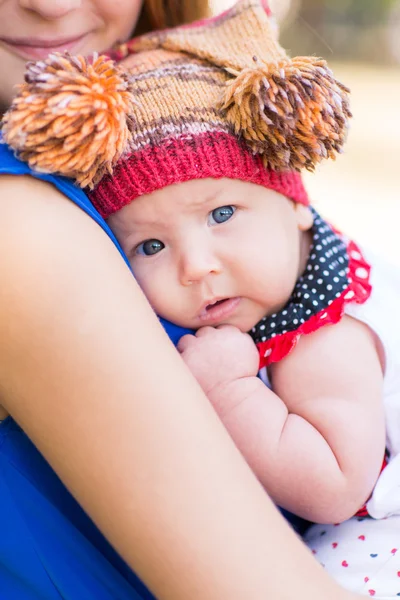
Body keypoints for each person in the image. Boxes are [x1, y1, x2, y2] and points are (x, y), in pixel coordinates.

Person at [5, 1, 399, 597]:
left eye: (221, 214)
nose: (196, 267)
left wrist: (229, 391)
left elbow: (337, 484)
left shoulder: (325, 326)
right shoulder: (27, 225)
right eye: (150, 246)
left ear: (297, 206)